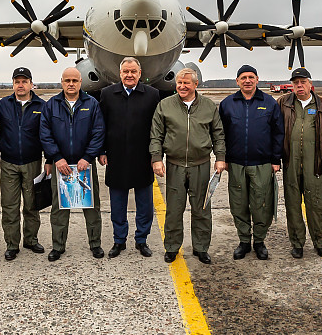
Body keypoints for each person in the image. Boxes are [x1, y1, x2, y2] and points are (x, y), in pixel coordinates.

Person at [150, 68, 226, 265]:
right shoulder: (165, 105)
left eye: (186, 83)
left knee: (201, 209)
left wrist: (220, 157)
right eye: (179, 83)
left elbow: (218, 134)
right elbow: (156, 134)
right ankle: (172, 247)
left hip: (200, 165)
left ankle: (201, 248)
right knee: (174, 209)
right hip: (175, 165)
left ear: (195, 84)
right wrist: (157, 158)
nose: (182, 86)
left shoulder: (208, 106)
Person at [40, 67, 106, 262]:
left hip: (85, 165)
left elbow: (98, 132)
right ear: (61, 82)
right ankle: (58, 246)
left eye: (74, 81)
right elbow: (45, 134)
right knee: (59, 209)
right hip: (62, 166)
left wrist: (88, 157)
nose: (71, 84)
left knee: (91, 207)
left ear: (80, 83)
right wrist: (56, 158)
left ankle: (95, 244)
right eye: (67, 80)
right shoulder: (51, 105)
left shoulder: (91, 104)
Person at [218, 65, 283, 260]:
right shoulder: (227, 104)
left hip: (262, 163)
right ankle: (244, 241)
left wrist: (275, 159)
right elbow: (220, 133)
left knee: (261, 204)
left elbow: (278, 132)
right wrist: (223, 158)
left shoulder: (269, 102)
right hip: (236, 164)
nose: (247, 80)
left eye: (251, 77)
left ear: (257, 80)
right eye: (243, 77)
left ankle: (259, 241)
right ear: (237, 81)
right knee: (238, 204)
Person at [99, 57, 161, 258]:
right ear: (120, 73)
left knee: (145, 205)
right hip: (116, 158)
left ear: (140, 74)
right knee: (118, 205)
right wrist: (101, 151)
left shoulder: (152, 95)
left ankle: (141, 240)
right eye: (126, 71)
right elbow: (101, 125)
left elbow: (157, 129)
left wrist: (156, 155)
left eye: (133, 71)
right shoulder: (107, 94)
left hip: (142, 159)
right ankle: (119, 240)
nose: (129, 75)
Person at [278, 67, 322, 258]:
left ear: (311, 84)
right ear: (292, 86)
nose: (299, 86)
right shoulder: (283, 103)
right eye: (296, 83)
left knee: (317, 204)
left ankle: (319, 241)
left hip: (315, 164)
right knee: (293, 205)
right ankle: (297, 243)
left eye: (303, 82)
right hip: (291, 163)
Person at [0, 66, 47, 261]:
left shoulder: (41, 106)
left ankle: (31, 239)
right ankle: (11, 244)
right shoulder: (3, 105)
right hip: (8, 162)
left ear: (31, 84)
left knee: (32, 205)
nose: (20, 85)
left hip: (32, 162)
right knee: (9, 205)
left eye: (24, 81)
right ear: (13, 84)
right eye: (17, 81)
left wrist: (49, 159)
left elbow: (47, 135)